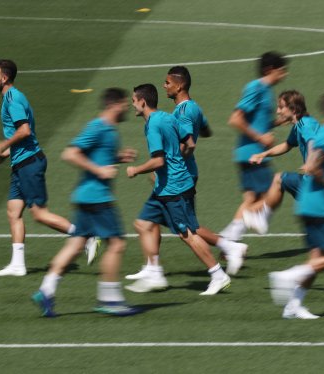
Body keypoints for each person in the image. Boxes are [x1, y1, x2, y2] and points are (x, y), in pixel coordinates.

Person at [125, 67, 246, 284]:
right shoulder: (194, 107)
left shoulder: (180, 113)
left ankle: (227, 250)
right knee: (146, 222)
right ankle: (152, 268)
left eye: (168, 83)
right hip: (176, 176)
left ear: (179, 85)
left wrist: (167, 163)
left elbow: (186, 144)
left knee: (189, 228)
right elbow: (205, 132)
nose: (164, 86)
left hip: (179, 176)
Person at [32, 88, 139, 317]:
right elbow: (69, 154)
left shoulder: (110, 130)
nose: (127, 109)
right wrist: (99, 170)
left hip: (86, 198)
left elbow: (96, 155)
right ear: (114, 105)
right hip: (97, 198)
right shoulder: (98, 127)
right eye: (124, 105)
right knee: (117, 244)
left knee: (76, 246)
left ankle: (45, 291)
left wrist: (119, 157)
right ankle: (110, 299)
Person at [0, 59, 97, 277]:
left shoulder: (13, 99)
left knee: (39, 214)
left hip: (29, 163)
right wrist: (4, 155)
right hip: (21, 162)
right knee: (13, 212)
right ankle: (17, 265)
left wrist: (3, 145)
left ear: (4, 78)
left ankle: (85, 235)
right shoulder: (11, 98)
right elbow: (22, 137)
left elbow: (25, 131)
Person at [244, 90, 324, 296]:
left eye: (281, 107)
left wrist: (311, 162)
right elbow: (287, 145)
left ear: (293, 109)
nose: (278, 111)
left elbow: (314, 141)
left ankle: (263, 216)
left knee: (279, 178)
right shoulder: (299, 126)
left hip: (314, 186)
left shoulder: (305, 126)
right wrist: (264, 153)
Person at [268, 90, 324, 319]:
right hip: (319, 203)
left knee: (318, 256)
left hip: (314, 202)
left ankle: (293, 306)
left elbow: (320, 163)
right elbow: (312, 165)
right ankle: (288, 276)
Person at [220, 51, 288, 242]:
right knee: (276, 190)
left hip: (252, 153)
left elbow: (257, 122)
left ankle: (228, 243)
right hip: (253, 153)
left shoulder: (267, 91)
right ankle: (228, 237)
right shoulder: (255, 88)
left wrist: (277, 123)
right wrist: (261, 138)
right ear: (269, 70)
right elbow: (235, 119)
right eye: (281, 70)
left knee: (251, 201)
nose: (284, 74)